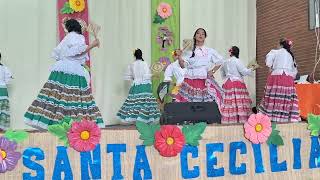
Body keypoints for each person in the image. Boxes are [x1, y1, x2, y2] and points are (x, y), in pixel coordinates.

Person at [24, 19, 104, 130]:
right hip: (73, 69)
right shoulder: (78, 37)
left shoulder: (67, 37)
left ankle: (51, 122)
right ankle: (74, 126)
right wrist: (93, 45)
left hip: (61, 68)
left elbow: (59, 53)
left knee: (57, 96)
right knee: (73, 98)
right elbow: (78, 51)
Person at [175, 28, 224, 109]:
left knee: (203, 101)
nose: (200, 35)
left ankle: (203, 117)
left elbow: (220, 60)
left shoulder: (209, 51)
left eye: (203, 34)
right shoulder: (189, 51)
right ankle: (189, 118)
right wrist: (179, 56)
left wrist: (213, 71)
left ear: (205, 37)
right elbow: (182, 65)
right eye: (198, 33)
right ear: (194, 36)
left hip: (203, 78)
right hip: (190, 78)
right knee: (189, 100)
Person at [259, 38, 300, 122]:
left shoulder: (275, 52)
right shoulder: (291, 55)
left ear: (280, 45)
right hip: (288, 78)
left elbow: (268, 63)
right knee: (286, 98)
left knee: (273, 96)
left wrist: (273, 66)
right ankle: (285, 118)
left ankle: (271, 117)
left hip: (276, 76)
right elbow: (295, 71)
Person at [116, 49, 161, 124]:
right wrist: (153, 75)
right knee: (145, 103)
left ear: (134, 55)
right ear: (141, 54)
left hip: (136, 85)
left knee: (134, 103)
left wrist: (135, 78)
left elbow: (127, 77)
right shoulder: (144, 63)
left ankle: (135, 119)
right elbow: (146, 75)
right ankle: (144, 120)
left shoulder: (132, 64)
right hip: (145, 85)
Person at [220, 46, 256, 123]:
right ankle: (240, 120)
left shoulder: (225, 62)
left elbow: (222, 74)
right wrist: (252, 68)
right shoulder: (237, 61)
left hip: (227, 83)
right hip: (237, 82)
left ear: (230, 52)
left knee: (230, 102)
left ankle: (229, 121)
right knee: (239, 102)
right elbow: (243, 71)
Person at [0, 53, 13, 130]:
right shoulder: (5, 68)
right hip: (3, 91)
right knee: (3, 111)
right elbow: (8, 81)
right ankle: (2, 131)